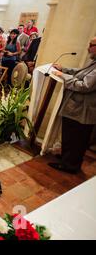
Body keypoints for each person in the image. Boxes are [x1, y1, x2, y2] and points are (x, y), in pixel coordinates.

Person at [48, 37, 96, 174]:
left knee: (77, 139)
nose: (88, 48)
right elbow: (80, 72)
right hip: (77, 108)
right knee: (69, 135)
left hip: (83, 111)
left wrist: (63, 75)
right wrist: (64, 69)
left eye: (91, 45)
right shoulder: (93, 62)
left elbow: (84, 85)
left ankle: (70, 165)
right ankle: (66, 158)